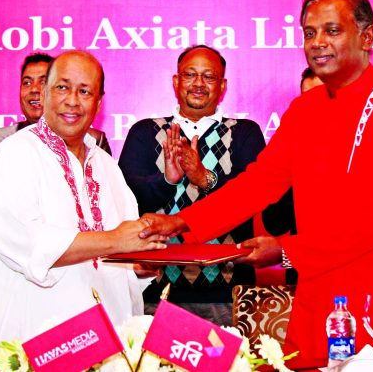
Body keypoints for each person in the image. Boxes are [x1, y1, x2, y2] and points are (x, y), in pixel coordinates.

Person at [139, 0, 373, 366]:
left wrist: (287, 250)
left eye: (331, 30)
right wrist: (180, 221)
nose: (318, 43)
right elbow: (260, 181)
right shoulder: (305, 109)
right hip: (326, 299)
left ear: (367, 36)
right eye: (309, 33)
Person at [0, 51, 166, 360]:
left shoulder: (107, 167)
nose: (73, 100)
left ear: (98, 103)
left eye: (85, 91)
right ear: (43, 94)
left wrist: (139, 268)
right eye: (62, 87)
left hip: (103, 349)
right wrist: (114, 240)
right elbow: (30, 245)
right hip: (28, 347)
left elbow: (118, 262)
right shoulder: (15, 154)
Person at [118, 44, 295, 324]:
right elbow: (127, 202)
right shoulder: (145, 131)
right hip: (155, 291)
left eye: (209, 77)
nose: (198, 84)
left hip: (230, 293)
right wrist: (167, 180)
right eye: (190, 75)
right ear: (176, 82)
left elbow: (253, 197)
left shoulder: (245, 133)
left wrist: (205, 178)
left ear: (222, 86)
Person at [0, 52, 110, 169]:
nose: (35, 89)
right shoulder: (1, 141)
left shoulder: (93, 142)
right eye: (27, 83)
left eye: (42, 81)